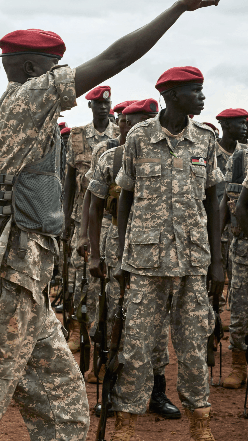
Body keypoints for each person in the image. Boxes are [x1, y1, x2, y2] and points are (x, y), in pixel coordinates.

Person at [0, 0, 231, 441]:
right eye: (56, 66)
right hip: (11, 279)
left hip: (22, 280)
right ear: (36, 68)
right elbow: (117, 58)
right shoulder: (30, 96)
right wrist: (179, 6)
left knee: (64, 411)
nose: (65, 76)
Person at [113, 65, 226, 440]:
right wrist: (122, 256)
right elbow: (125, 196)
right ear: (173, 95)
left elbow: (214, 201)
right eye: (196, 91)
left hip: (193, 260)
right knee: (137, 345)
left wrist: (217, 261)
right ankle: (126, 424)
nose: (203, 97)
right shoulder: (139, 138)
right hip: (146, 262)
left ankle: (201, 424)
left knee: (194, 343)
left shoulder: (206, 140)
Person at [87, 98, 180, 419]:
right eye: (126, 121)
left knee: (155, 321)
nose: (130, 126)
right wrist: (94, 252)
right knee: (114, 317)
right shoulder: (110, 158)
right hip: (116, 241)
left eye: (138, 120)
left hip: (157, 248)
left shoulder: (170, 154)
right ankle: (112, 392)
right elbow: (94, 206)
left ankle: (156, 392)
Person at [64, 85, 118, 354]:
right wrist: (64, 220)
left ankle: (101, 336)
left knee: (103, 278)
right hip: (80, 218)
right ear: (91, 107)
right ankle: (76, 327)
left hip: (110, 215)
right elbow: (69, 183)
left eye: (107, 104)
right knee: (77, 275)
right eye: (98, 104)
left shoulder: (120, 135)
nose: (103, 108)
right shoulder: (77, 136)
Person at [218, 109, 248, 390]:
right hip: (242, 246)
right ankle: (239, 363)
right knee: (239, 310)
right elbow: (228, 202)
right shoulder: (241, 159)